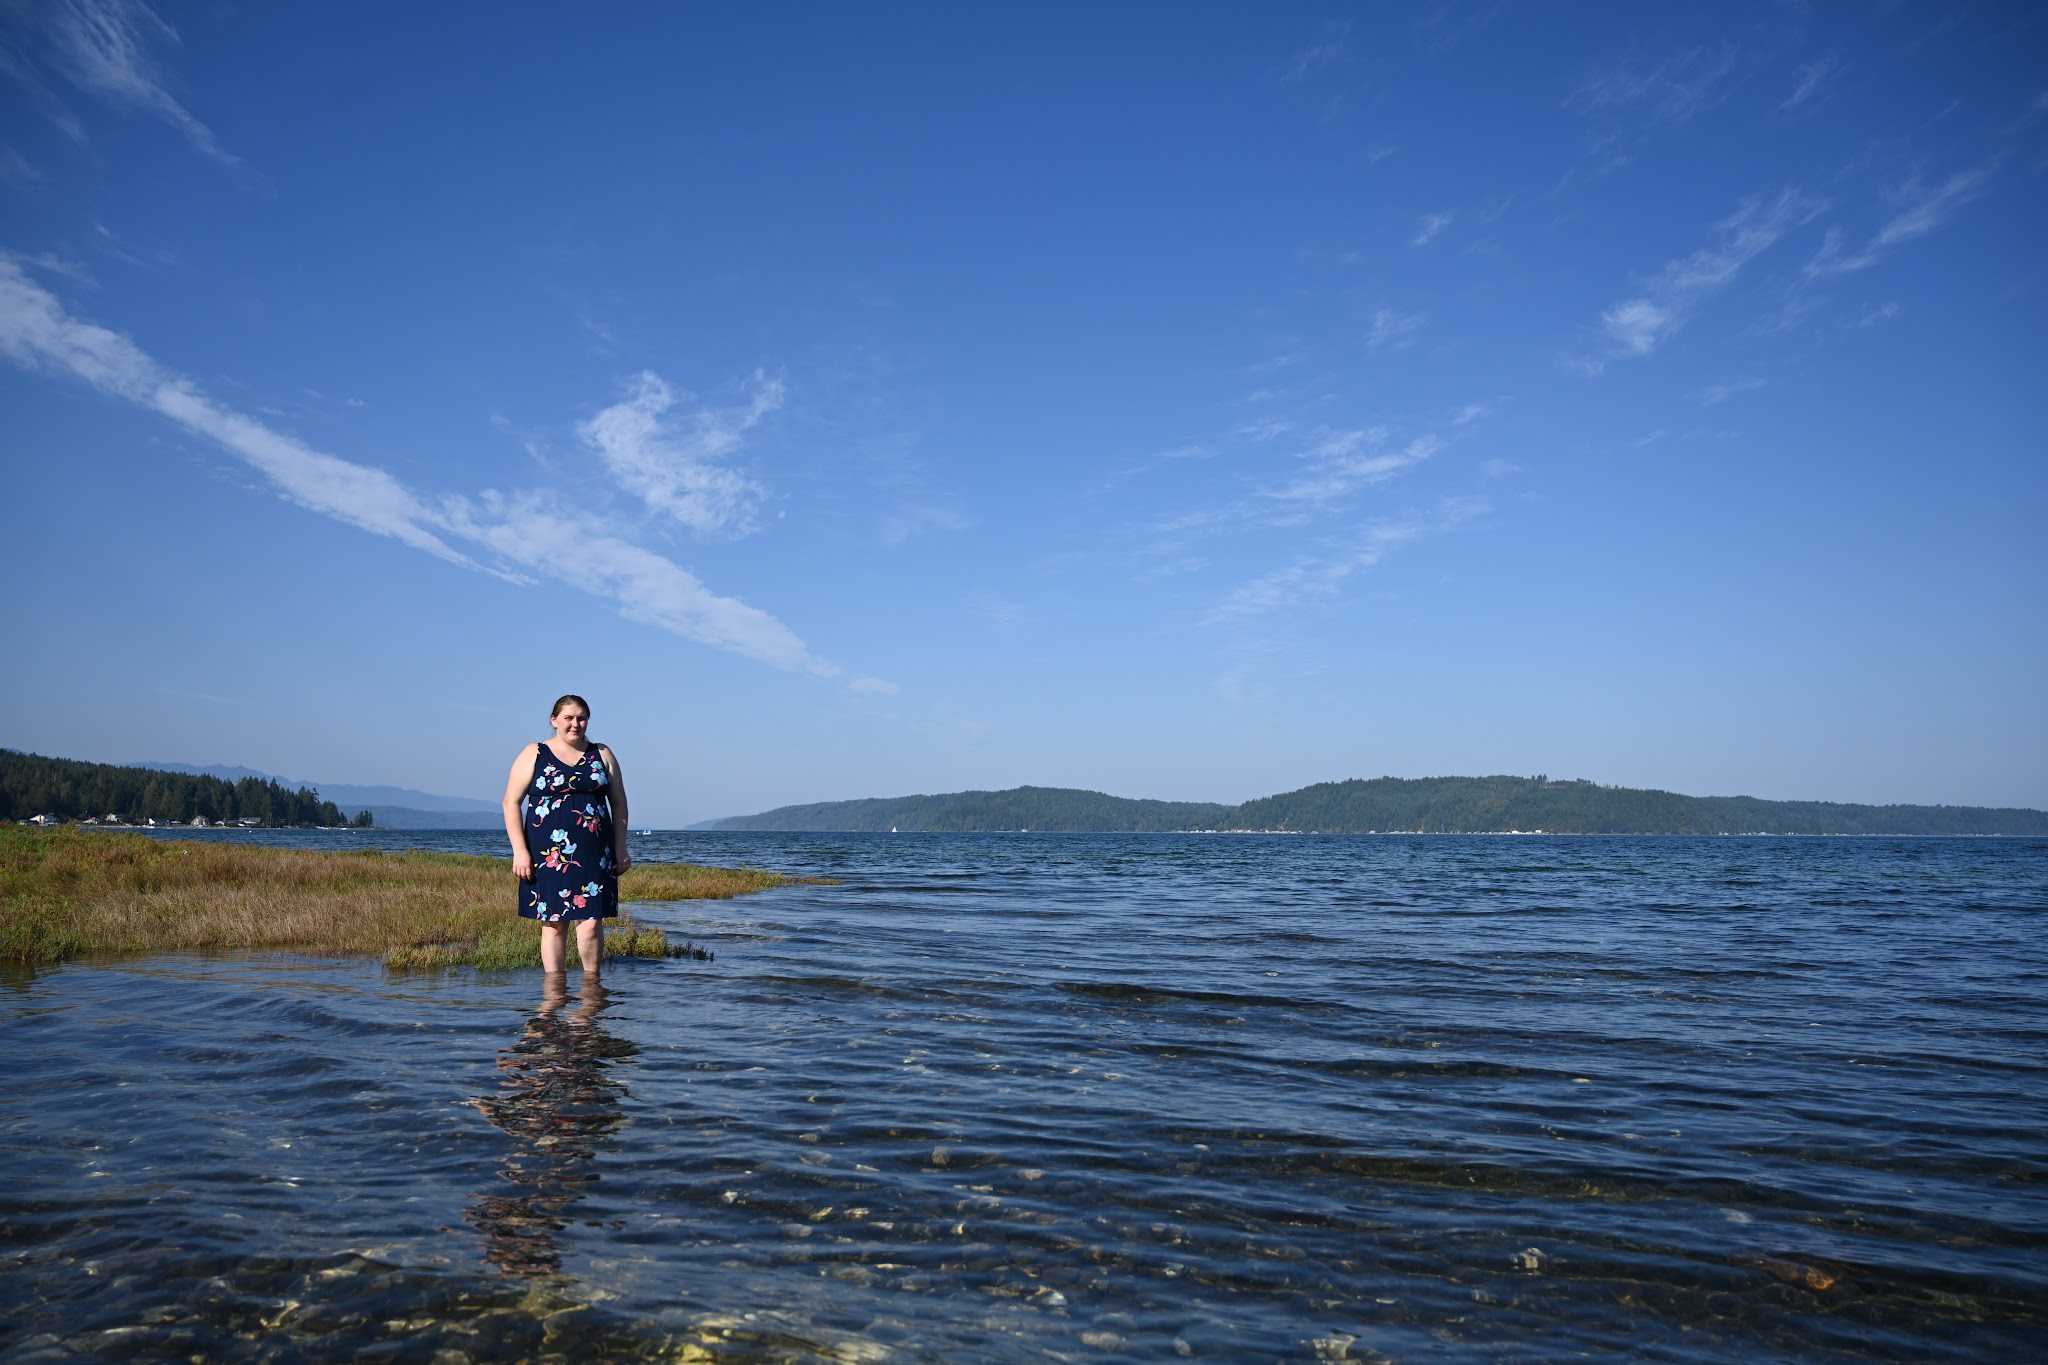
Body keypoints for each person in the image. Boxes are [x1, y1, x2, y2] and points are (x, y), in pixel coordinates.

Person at [502, 694, 630, 973]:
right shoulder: (534, 752)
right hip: (547, 855)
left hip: (594, 852)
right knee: (554, 923)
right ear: (554, 720)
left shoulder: (602, 753)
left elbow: (619, 803)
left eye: (581, 718)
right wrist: (520, 851)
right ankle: (554, 990)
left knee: (591, 923)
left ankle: (592, 987)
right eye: (568, 718)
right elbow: (510, 802)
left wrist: (620, 848)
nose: (575, 724)